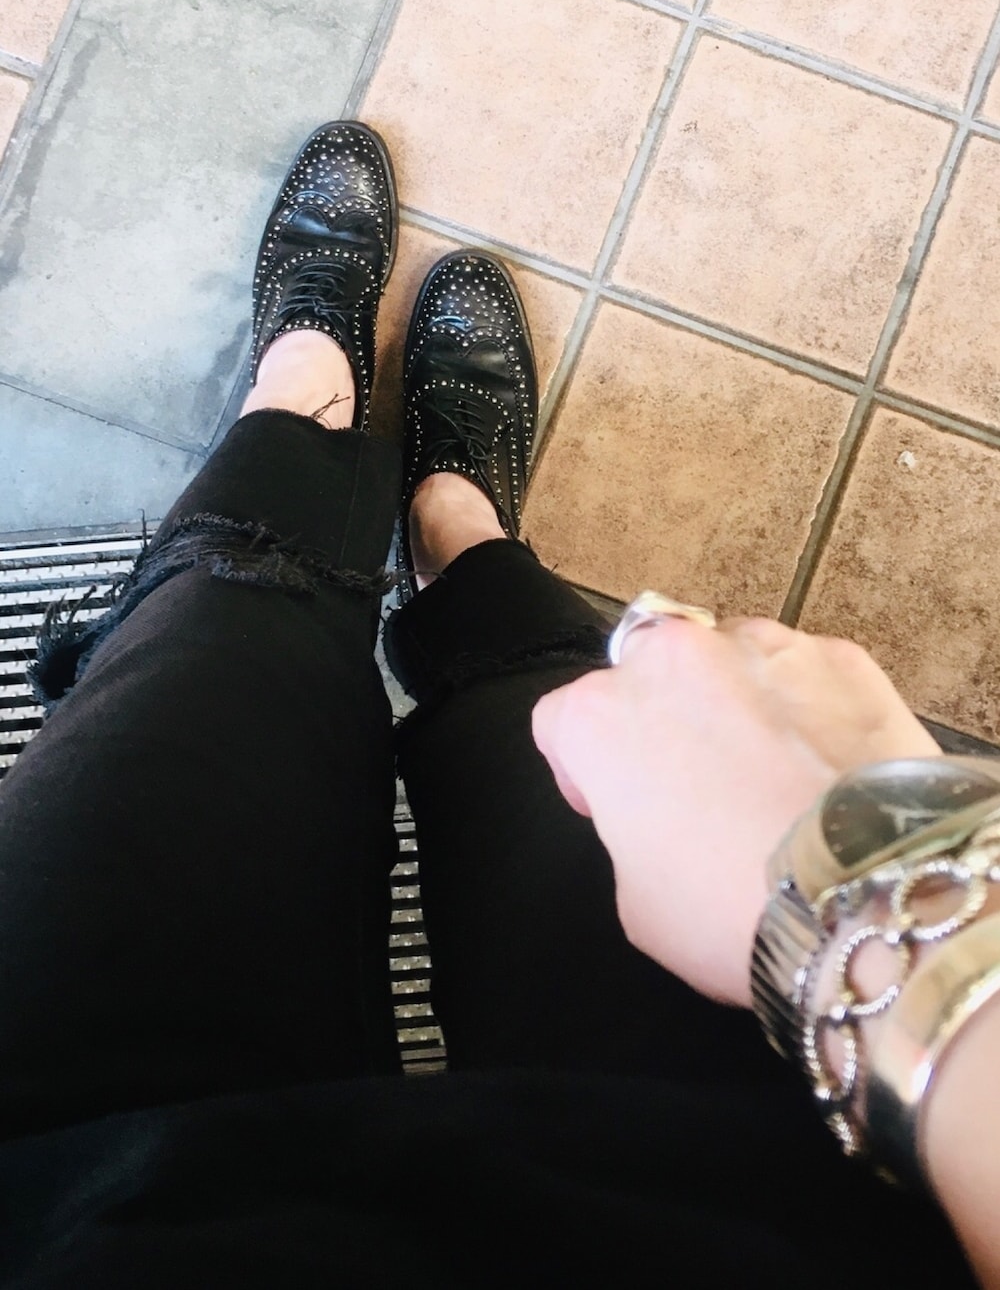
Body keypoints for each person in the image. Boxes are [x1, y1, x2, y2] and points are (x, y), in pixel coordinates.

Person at [0, 120, 992, 1288]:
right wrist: (893, 928)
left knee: (208, 672)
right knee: (559, 744)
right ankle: (461, 541)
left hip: (63, 1191)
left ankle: (301, 408)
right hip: (731, 1205)